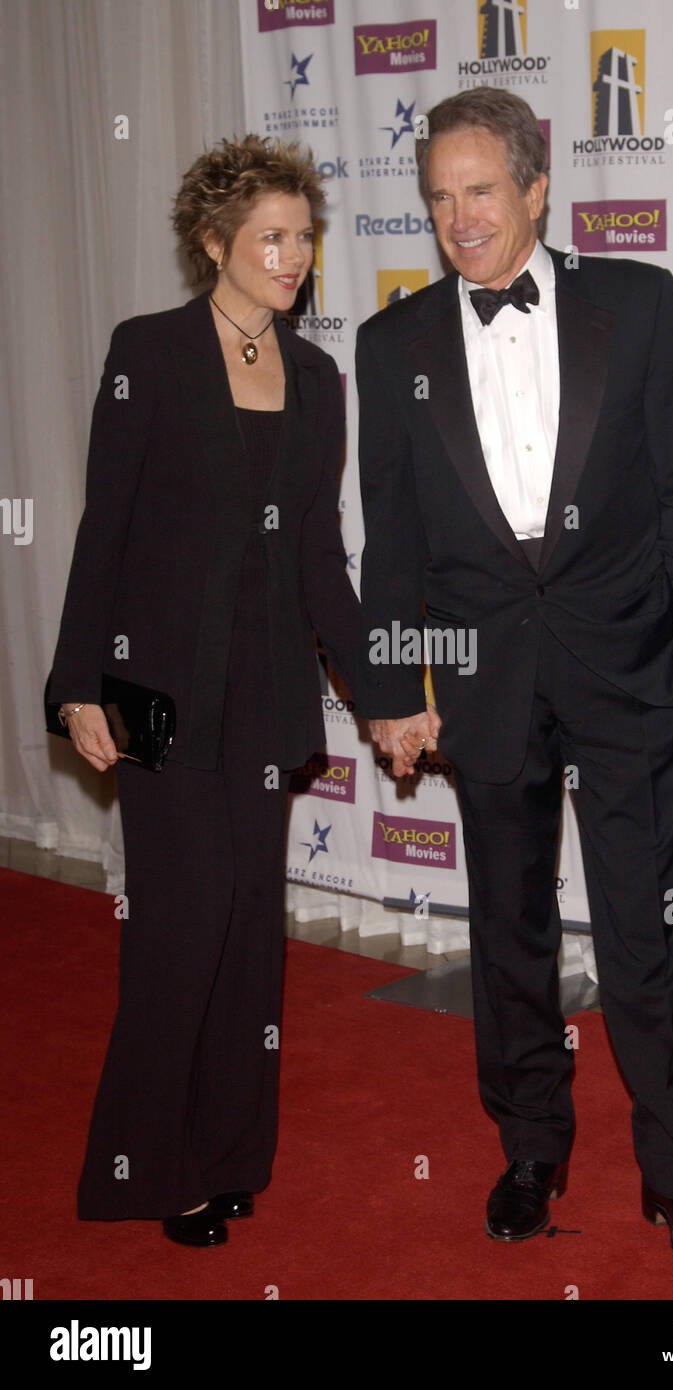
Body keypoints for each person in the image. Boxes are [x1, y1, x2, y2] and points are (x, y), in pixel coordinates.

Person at [356, 88, 673, 1265]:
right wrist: (387, 688)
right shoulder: (392, 344)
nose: (459, 219)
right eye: (438, 199)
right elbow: (395, 537)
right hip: (485, 685)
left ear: (534, 186)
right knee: (509, 930)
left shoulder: (636, 302)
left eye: (480, 191)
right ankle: (530, 1151)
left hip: (631, 677)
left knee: (649, 932)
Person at [48, 135, 359, 1247]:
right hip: (160, 693)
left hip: (267, 701)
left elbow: (321, 556)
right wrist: (76, 682)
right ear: (213, 242)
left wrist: (378, 690)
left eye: (304, 236)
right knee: (182, 929)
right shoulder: (150, 352)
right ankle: (146, 1163)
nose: (292, 256)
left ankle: (230, 1155)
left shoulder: (318, 378)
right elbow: (107, 529)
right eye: (270, 236)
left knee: (250, 935)